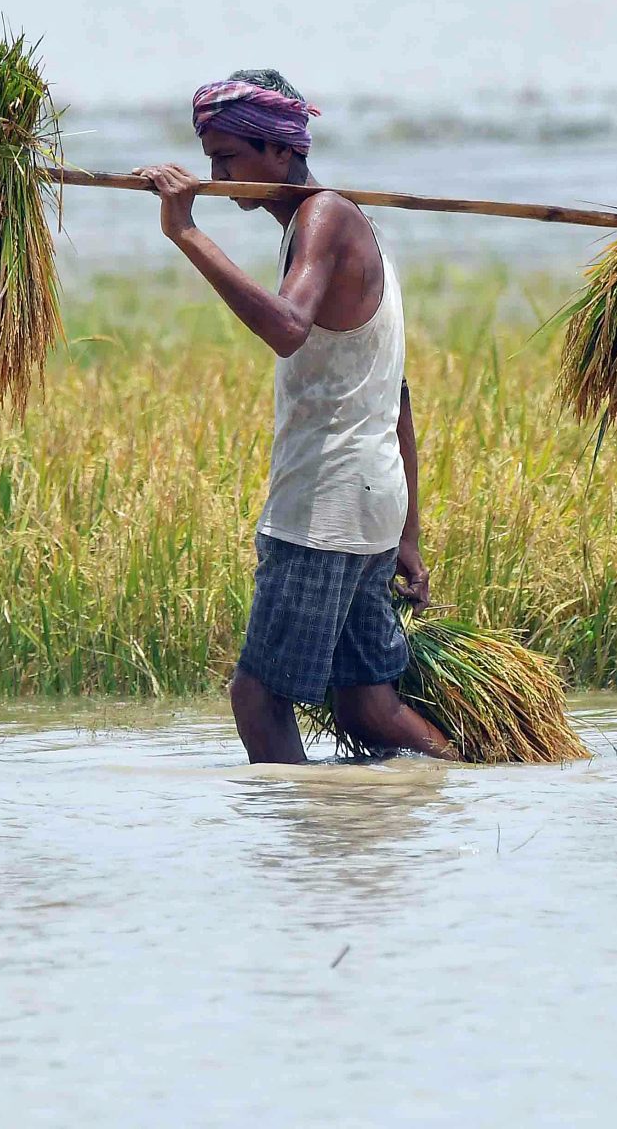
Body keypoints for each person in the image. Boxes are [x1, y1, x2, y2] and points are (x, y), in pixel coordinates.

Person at [133, 72, 458, 765]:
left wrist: (184, 231)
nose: (215, 174)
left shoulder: (326, 218)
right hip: (368, 504)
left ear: (279, 151)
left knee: (258, 698)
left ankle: (298, 856)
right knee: (367, 704)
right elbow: (394, 395)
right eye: (209, 159)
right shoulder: (337, 225)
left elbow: (285, 326)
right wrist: (406, 532)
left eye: (226, 159)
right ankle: (462, 778)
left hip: (326, 506)